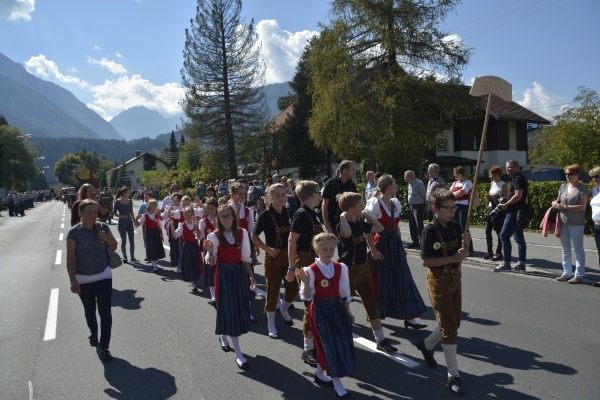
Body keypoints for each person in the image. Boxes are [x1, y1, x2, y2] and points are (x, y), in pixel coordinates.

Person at [416, 188, 470, 397]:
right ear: (435, 208)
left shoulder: (456, 227)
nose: (452, 212)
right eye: (448, 208)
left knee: (454, 323)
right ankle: (453, 375)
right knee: (450, 329)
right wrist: (453, 258)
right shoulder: (430, 230)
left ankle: (427, 345)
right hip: (438, 281)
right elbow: (425, 261)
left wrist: (466, 243)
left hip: (455, 280)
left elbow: (463, 254)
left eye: (454, 207)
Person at [336, 192, 397, 354]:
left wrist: (366, 214)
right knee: (344, 306)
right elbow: (347, 234)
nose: (363, 208)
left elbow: (380, 228)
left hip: (363, 269)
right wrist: (343, 217)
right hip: (348, 270)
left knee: (371, 303)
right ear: (350, 209)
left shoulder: (361, 224)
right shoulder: (343, 225)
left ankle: (380, 339)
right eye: (360, 206)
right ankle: (343, 339)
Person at [365, 174, 427, 328]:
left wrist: (401, 246)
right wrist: (372, 251)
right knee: (381, 280)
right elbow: (367, 230)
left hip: (395, 245)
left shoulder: (394, 203)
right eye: (394, 184)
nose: (397, 186)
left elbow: (396, 226)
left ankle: (410, 316)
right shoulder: (374, 204)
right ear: (388, 187)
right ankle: (375, 313)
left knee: (403, 279)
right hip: (381, 245)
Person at [298, 233, 355, 399]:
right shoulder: (310, 270)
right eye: (324, 249)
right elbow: (307, 297)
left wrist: (348, 310)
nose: (328, 251)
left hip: (337, 308)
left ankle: (319, 373)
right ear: (316, 250)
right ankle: (337, 383)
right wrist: (307, 284)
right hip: (320, 310)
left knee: (339, 343)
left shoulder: (340, 267)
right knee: (327, 345)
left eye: (331, 248)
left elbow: (344, 293)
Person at [203, 205, 257, 370]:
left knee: (237, 309)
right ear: (218, 219)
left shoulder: (242, 233)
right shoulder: (214, 236)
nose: (225, 218)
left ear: (234, 217)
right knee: (229, 309)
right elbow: (211, 263)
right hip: (224, 275)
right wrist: (211, 252)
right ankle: (238, 353)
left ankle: (223, 334)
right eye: (222, 216)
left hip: (239, 273)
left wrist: (252, 278)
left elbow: (246, 257)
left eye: (228, 215)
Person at [66, 199, 118, 362]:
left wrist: (106, 238)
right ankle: (94, 332)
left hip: (103, 275)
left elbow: (114, 246)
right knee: (89, 310)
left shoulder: (103, 228)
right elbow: (70, 258)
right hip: (83, 278)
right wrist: (73, 280)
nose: (92, 215)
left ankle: (104, 347)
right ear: (80, 214)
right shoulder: (74, 233)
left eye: (95, 212)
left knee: (105, 312)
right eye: (88, 212)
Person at [252, 183, 297, 338]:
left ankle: (284, 309)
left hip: (289, 256)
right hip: (273, 256)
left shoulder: (290, 212)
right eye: (276, 195)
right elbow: (254, 236)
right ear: (270, 197)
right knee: (273, 290)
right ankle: (271, 324)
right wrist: (268, 249)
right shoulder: (265, 214)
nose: (280, 197)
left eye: (283, 194)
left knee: (293, 287)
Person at [287, 180, 323, 366]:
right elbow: (292, 241)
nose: (320, 194)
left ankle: (315, 341)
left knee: (315, 303)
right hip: (305, 263)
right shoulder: (301, 214)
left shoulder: (312, 214)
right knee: (309, 304)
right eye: (318, 191)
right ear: (312, 195)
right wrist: (292, 267)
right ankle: (308, 349)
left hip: (315, 262)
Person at [552, 164, 589, 284]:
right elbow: (557, 200)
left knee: (578, 249)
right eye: (566, 174)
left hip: (576, 223)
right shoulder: (563, 187)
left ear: (577, 174)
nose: (567, 176)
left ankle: (578, 275)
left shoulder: (582, 189)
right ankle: (566, 273)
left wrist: (565, 206)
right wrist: (555, 203)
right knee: (565, 249)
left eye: (570, 174)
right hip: (562, 221)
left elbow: (582, 207)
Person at [494, 160, 528, 272]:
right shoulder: (517, 178)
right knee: (519, 238)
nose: (507, 169)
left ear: (516, 167)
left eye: (509, 167)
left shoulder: (518, 178)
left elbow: (518, 195)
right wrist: (506, 199)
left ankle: (506, 263)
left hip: (514, 212)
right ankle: (521, 263)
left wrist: (506, 204)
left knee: (504, 235)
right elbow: (515, 195)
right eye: (506, 167)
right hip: (517, 211)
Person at [170, 206, 202, 292]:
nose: (189, 217)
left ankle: (194, 279)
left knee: (195, 264)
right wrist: (172, 225)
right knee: (189, 265)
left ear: (193, 215)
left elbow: (199, 236)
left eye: (191, 215)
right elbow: (175, 235)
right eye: (187, 215)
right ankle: (192, 283)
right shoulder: (182, 225)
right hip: (187, 246)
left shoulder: (196, 224)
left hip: (195, 246)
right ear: (184, 216)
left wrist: (196, 226)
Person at [322, 160, 357, 236]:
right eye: (352, 170)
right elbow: (324, 205)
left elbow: (356, 204)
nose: (354, 171)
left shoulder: (352, 185)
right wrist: (327, 225)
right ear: (345, 171)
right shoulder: (331, 183)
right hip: (334, 222)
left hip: (349, 221)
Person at [484, 166, 508, 261]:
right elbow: (493, 196)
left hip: (499, 210)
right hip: (491, 208)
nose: (490, 176)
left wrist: (494, 198)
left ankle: (498, 252)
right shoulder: (492, 183)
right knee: (487, 230)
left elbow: (505, 198)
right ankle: (489, 251)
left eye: (491, 174)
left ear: (497, 174)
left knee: (499, 232)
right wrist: (489, 198)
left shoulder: (503, 185)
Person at [449, 167, 474, 256]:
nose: (454, 175)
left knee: (464, 227)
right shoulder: (455, 183)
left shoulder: (468, 182)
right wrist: (455, 194)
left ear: (460, 173)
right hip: (455, 206)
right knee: (456, 227)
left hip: (464, 206)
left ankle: (469, 248)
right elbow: (449, 194)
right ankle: (459, 247)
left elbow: (463, 192)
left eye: (455, 173)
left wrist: (453, 194)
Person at [136, 199, 165, 272]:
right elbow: (138, 224)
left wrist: (161, 235)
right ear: (149, 206)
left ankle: (154, 261)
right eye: (154, 206)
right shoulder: (145, 216)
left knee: (156, 248)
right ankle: (154, 264)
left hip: (156, 233)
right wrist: (136, 219)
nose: (155, 208)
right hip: (149, 233)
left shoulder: (156, 215)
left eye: (156, 206)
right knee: (151, 248)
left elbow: (160, 226)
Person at [200, 198, 219, 304]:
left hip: (220, 248)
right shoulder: (204, 221)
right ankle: (213, 296)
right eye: (208, 209)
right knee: (210, 271)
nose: (211, 211)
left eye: (212, 208)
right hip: (209, 248)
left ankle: (218, 293)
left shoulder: (221, 219)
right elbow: (200, 237)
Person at [404, 170, 427, 248]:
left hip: (418, 206)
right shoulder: (409, 184)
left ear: (410, 177)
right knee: (412, 224)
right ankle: (415, 241)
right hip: (411, 205)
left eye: (405, 177)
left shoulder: (419, 183)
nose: (404, 179)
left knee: (419, 224)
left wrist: (425, 205)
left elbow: (424, 195)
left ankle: (423, 241)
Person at [113, 187, 136, 263]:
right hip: (122, 224)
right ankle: (125, 257)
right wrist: (121, 216)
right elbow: (114, 212)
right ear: (124, 193)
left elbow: (131, 212)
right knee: (124, 241)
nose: (130, 194)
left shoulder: (130, 201)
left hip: (129, 223)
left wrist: (134, 221)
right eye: (128, 193)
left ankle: (132, 257)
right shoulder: (117, 202)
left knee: (132, 241)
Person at [164, 193, 184, 270]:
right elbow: (165, 215)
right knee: (173, 245)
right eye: (172, 199)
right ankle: (175, 262)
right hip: (172, 226)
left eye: (174, 199)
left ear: (179, 200)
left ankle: (180, 264)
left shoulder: (182, 207)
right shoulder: (169, 207)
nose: (172, 200)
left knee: (179, 246)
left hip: (180, 225)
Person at [588, 167, 600, 287]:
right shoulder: (594, 190)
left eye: (597, 176)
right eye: (593, 177)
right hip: (596, 225)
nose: (594, 179)